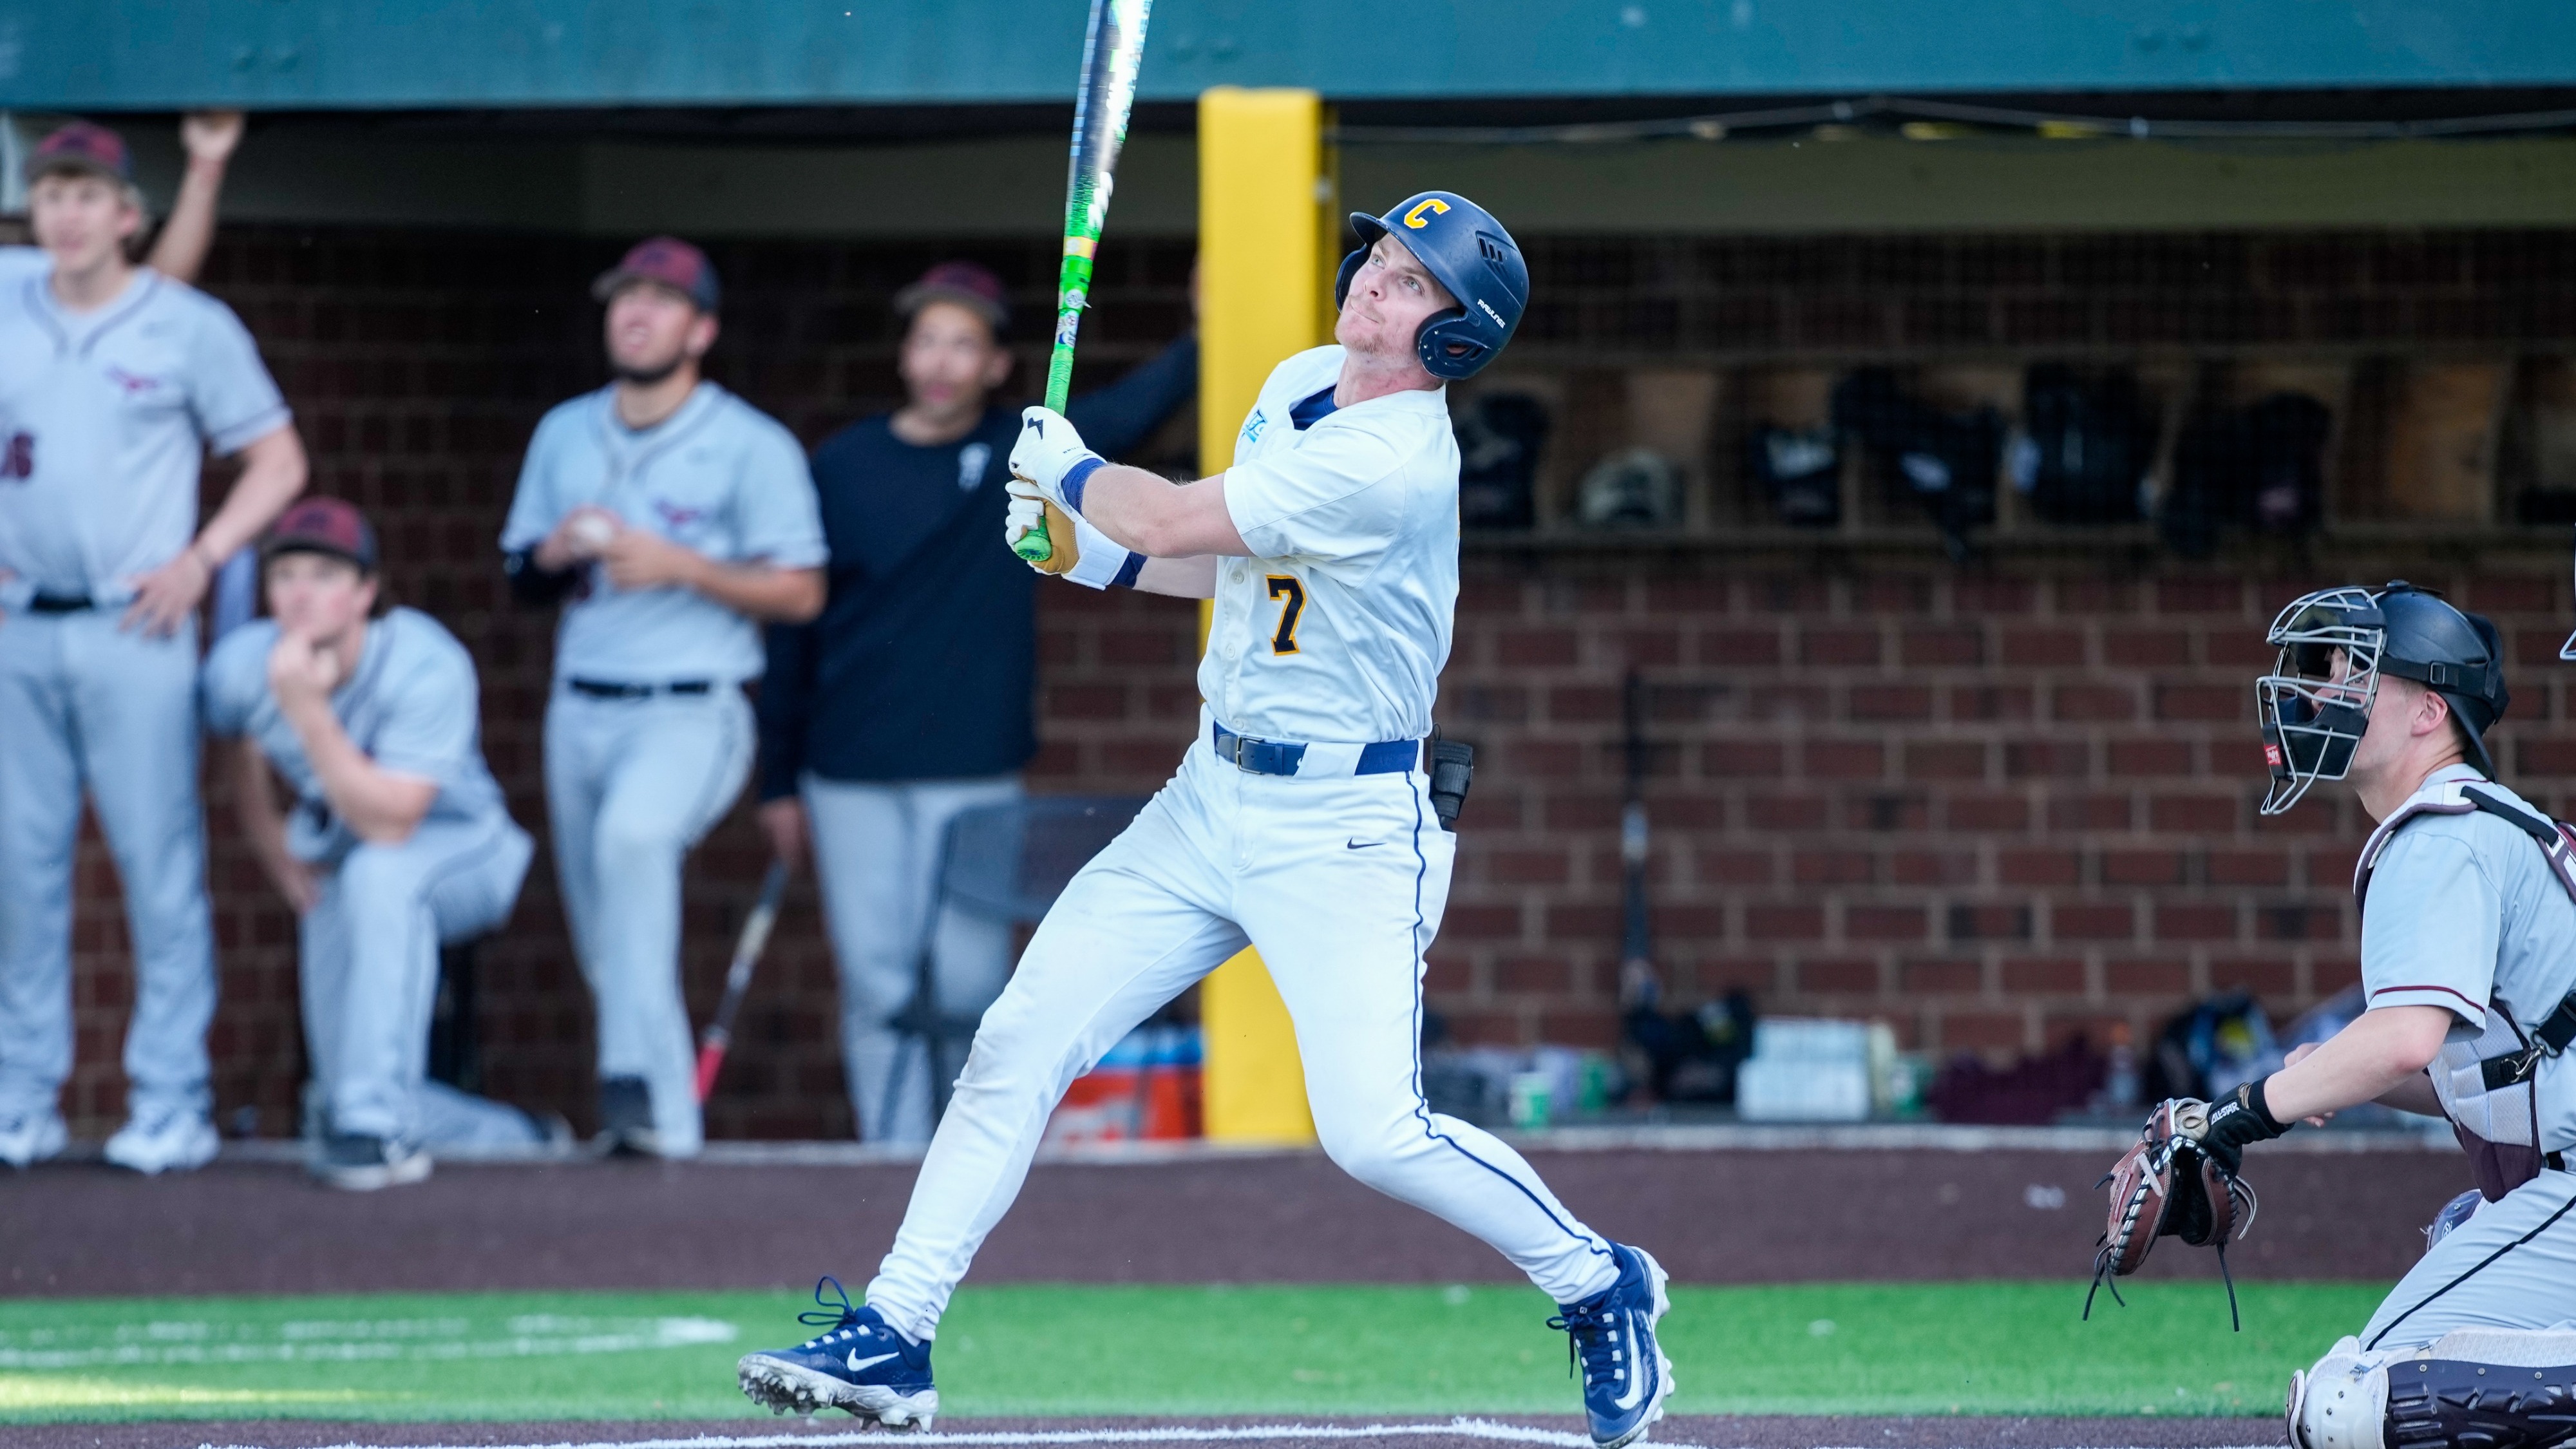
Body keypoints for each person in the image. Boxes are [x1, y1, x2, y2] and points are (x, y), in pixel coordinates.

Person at [736, 193, 1674, 1449]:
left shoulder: (1390, 461)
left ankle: (1596, 1280)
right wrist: (1081, 556)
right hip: (1206, 799)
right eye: (1379, 261)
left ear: (1455, 336)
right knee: (1017, 1040)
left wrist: (1068, 468)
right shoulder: (1300, 383)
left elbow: (1171, 513)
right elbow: (1221, 556)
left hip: (1341, 827)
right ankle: (895, 1334)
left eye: (1408, 282)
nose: (1372, 284)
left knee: (1372, 1134)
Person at [756, 260, 1197, 1144]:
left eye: (965, 343)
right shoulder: (841, 465)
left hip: (972, 764)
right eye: (928, 339)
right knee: (878, 981)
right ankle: (894, 1154)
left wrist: (1202, 334)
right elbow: (790, 636)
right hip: (848, 767)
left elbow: (1122, 420)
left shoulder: (1018, 455)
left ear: (998, 365)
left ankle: (962, 1158)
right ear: (905, 354)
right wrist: (776, 782)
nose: (943, 361)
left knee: (968, 985)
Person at [2137, 580, 2576, 1449]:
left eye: (2352, 673)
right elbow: (2489, 1071)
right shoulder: (2485, 823)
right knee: (2461, 1226)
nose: (2320, 693)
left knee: (2347, 1402)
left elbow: (2404, 1037)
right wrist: (2323, 1075)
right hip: (2555, 1172)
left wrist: (2242, 1111)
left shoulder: (2442, 830)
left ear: (2427, 711)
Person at [0, 115, 304, 1174]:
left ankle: (170, 1098)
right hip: (20, 622)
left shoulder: (186, 323)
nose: (69, 211)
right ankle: (22, 1094)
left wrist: (203, 557)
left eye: (89, 194)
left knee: (155, 865)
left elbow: (277, 459)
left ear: (129, 213)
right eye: (52, 192)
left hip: (139, 626)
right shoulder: (9, 296)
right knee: (21, 870)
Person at [500, 236, 828, 1159]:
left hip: (693, 701)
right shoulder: (566, 430)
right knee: (604, 919)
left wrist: (682, 565)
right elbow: (520, 576)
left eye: (660, 301)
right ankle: (654, 1127)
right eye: (625, 299)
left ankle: (638, 1090)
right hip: (582, 699)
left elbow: (802, 591)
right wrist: (556, 554)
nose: (636, 314)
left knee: (632, 843)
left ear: (702, 328)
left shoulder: (748, 442)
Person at [205, 499, 554, 1190]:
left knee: (380, 873)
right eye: (287, 575)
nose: (302, 593)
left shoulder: (423, 662)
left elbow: (394, 822)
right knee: (337, 1089)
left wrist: (307, 716)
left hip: (468, 849)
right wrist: (273, 843)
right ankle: (518, 1139)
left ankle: (374, 1131)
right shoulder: (243, 665)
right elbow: (232, 738)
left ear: (365, 591)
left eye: (325, 575)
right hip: (343, 858)